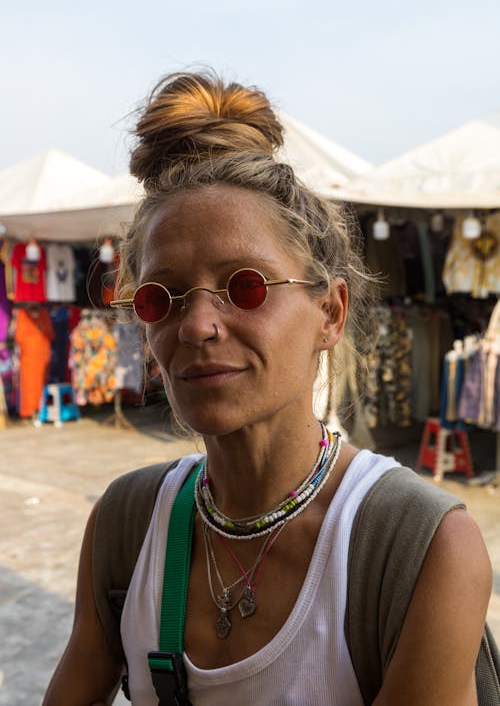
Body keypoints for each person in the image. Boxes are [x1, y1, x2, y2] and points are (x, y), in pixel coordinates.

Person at [43, 71, 492, 706]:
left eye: (245, 286)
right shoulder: (126, 525)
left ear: (330, 313)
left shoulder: (415, 547)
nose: (197, 325)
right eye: (161, 297)